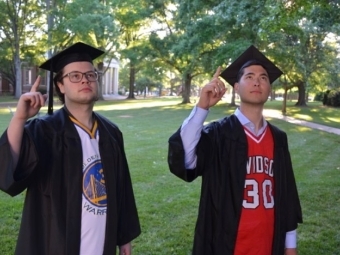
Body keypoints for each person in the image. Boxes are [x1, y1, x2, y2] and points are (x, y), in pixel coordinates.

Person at [0, 42, 141, 255]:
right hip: (54, 244)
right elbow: (9, 172)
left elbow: (122, 188)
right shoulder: (44, 131)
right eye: (74, 76)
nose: (85, 79)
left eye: (90, 75)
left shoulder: (112, 133)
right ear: (60, 86)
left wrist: (124, 237)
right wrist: (19, 118)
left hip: (102, 242)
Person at [167, 45, 302, 255]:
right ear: (236, 87)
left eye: (264, 78)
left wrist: (290, 246)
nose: (257, 81)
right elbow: (185, 159)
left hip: (269, 244)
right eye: (249, 76)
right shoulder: (218, 134)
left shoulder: (279, 139)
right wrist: (202, 107)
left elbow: (287, 195)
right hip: (225, 244)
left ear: (269, 89)